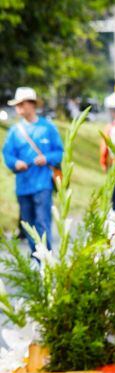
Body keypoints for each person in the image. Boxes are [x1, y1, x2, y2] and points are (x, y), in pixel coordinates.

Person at [2, 87, 63, 252]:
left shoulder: (47, 128)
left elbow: (59, 152)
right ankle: (36, 259)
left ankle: (46, 261)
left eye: (22, 104)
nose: (19, 107)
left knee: (42, 223)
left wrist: (47, 158)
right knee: (28, 225)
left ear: (32, 104)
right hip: (23, 186)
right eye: (17, 104)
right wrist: (15, 163)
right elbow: (7, 154)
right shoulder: (15, 131)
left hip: (43, 185)